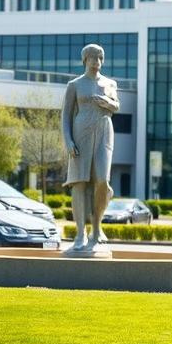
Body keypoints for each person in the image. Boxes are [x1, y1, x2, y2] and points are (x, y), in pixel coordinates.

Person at [62, 43, 120, 253]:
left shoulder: (110, 83)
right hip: (81, 134)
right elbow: (65, 115)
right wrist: (68, 140)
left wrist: (106, 101)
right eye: (93, 58)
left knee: (102, 180)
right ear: (85, 60)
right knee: (79, 183)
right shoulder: (75, 85)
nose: (97, 62)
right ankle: (80, 233)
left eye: (100, 58)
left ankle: (97, 228)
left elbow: (116, 106)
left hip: (104, 132)